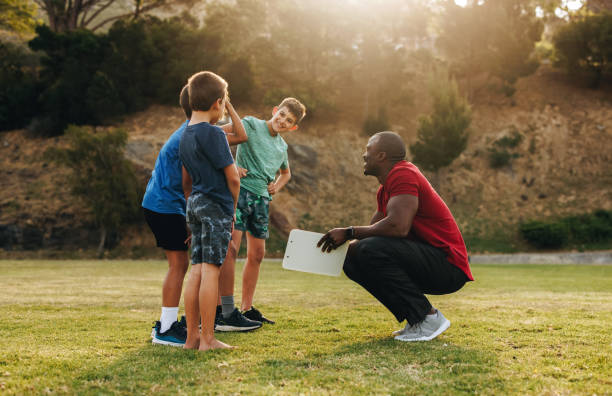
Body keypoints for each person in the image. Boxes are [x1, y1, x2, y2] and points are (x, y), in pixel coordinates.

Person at [317, 131, 474, 342]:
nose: (364, 155)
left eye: (368, 150)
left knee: (368, 249)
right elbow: (372, 232)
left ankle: (429, 318)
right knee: (352, 257)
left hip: (448, 266)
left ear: (382, 156)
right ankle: (416, 319)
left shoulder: (404, 174)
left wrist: (348, 232)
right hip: (428, 263)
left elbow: (398, 227)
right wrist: (341, 246)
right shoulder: (385, 190)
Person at [179, 71, 255, 351]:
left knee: (196, 271)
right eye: (224, 104)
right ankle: (208, 339)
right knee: (211, 271)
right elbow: (233, 178)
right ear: (218, 103)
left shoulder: (185, 134)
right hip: (215, 206)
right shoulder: (212, 134)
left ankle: (191, 338)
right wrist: (232, 208)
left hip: (196, 205)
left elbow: (186, 180)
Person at [219, 97, 306, 324]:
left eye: (289, 120)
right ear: (275, 110)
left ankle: (246, 309)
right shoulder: (250, 124)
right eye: (282, 115)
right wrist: (231, 167)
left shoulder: (282, 147)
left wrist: (276, 185)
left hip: (261, 201)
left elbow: (286, 173)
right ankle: (225, 310)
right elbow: (216, 137)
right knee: (231, 250)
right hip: (239, 194)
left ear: (293, 127)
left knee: (257, 255)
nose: (283, 121)